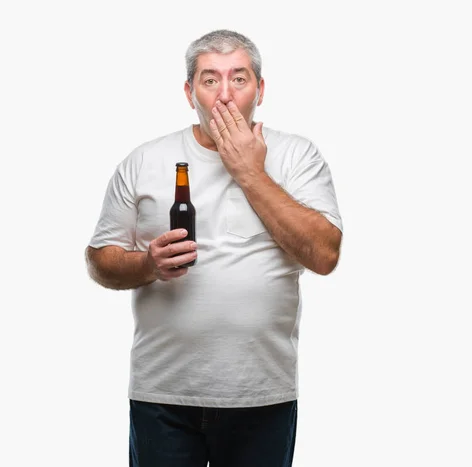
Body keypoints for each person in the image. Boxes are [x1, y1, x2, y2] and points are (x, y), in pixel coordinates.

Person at [85, 29, 343, 467]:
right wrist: (146, 263)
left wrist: (249, 172)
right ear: (190, 92)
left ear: (260, 89)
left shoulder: (298, 156)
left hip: (262, 394)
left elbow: (325, 256)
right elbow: (99, 261)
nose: (224, 95)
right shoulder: (145, 160)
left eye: (239, 79)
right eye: (209, 80)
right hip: (163, 393)